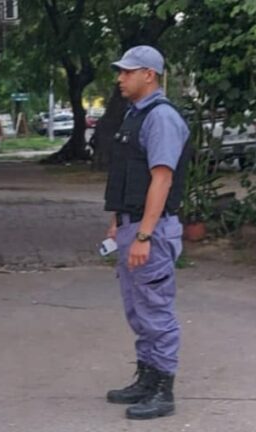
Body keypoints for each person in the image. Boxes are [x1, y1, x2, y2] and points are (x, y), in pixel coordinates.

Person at [103, 46, 191, 420]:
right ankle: (147, 378)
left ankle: (162, 391)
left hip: (149, 231)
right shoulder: (135, 115)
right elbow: (129, 175)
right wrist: (119, 223)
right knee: (138, 311)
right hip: (132, 224)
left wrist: (143, 236)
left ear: (149, 75)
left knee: (155, 312)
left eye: (127, 72)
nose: (120, 78)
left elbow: (162, 178)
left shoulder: (161, 118)